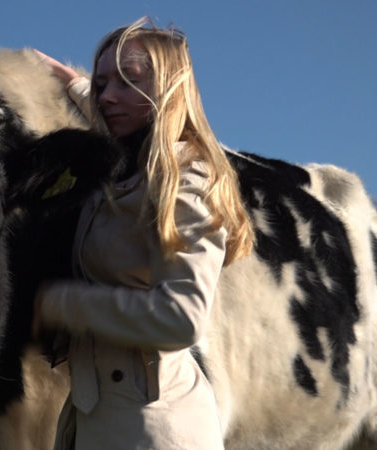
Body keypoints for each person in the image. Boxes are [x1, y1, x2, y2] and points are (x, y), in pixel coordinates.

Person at [31, 17, 254, 450]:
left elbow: (182, 317)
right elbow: (111, 105)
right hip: (100, 420)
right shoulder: (123, 166)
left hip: (154, 431)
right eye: (102, 84)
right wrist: (74, 83)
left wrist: (59, 303)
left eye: (128, 81)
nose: (108, 96)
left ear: (169, 89)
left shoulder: (184, 177)